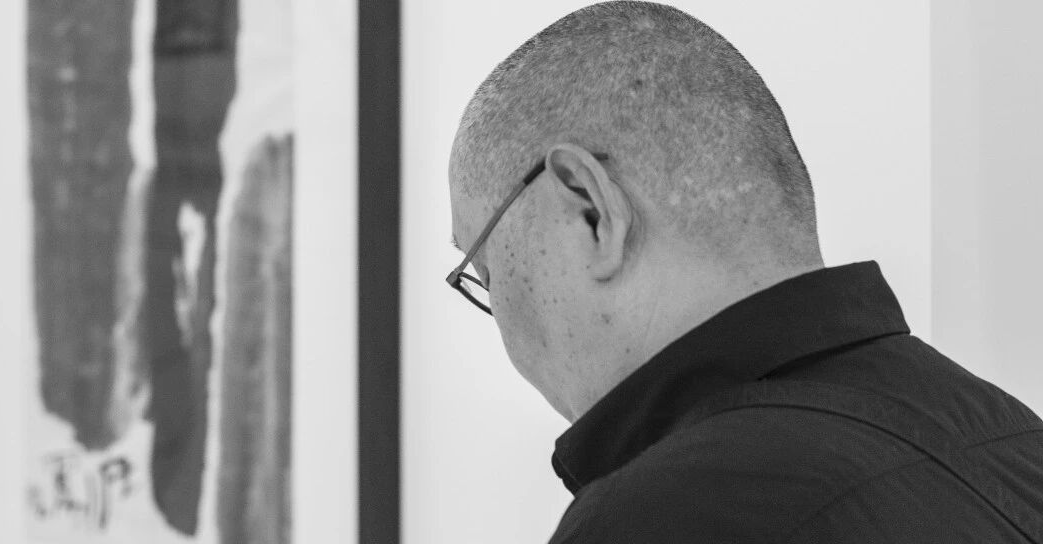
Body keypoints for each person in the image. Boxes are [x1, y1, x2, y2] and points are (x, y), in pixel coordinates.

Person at [445, 2, 1043, 542]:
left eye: (486, 272)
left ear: (592, 211)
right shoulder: (1016, 443)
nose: (504, 331)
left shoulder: (662, 517)